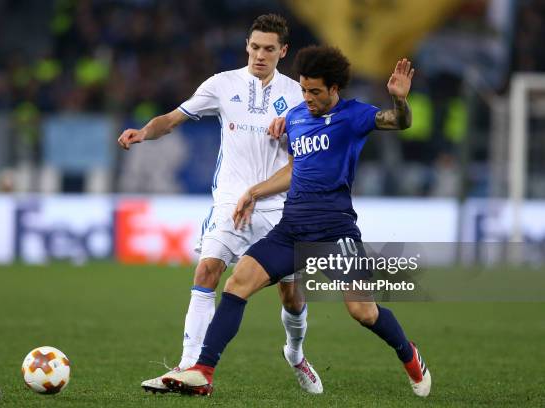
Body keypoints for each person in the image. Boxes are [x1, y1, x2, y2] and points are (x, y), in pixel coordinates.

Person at [162, 46, 432, 398]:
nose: (307, 98)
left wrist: (400, 101)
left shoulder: (354, 116)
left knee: (363, 311)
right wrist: (255, 191)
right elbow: (295, 168)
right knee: (237, 282)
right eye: (303, 89)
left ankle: (409, 355)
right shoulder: (296, 117)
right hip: (291, 229)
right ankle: (203, 371)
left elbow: (399, 122)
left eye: (315, 91)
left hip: (335, 232)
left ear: (335, 89)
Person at [117, 14, 322, 394]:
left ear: (283, 51)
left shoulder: (298, 95)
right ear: (247, 46)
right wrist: (145, 132)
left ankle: (295, 352)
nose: (260, 55)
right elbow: (174, 118)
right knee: (207, 272)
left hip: (278, 208)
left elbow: (311, 151)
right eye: (255, 47)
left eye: (269, 49)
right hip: (230, 203)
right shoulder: (222, 85)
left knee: (291, 296)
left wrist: (295, 126)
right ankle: (187, 366)